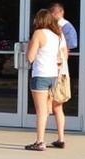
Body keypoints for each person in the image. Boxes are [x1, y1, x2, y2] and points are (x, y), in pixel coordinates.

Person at [25, 8, 68, 151]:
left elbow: (30, 57)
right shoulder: (57, 35)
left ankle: (40, 141)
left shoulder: (38, 33)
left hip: (40, 75)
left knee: (41, 111)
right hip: (53, 75)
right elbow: (61, 56)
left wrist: (29, 47)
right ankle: (59, 138)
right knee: (51, 109)